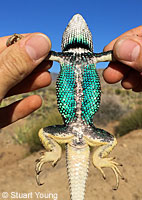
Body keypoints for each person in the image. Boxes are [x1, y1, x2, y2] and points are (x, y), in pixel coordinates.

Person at [0, 26, 142, 128]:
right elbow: (44, 54)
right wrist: (22, 44)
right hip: (73, 128)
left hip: (83, 128)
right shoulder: (70, 57)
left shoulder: (79, 57)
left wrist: (132, 51)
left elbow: (116, 55)